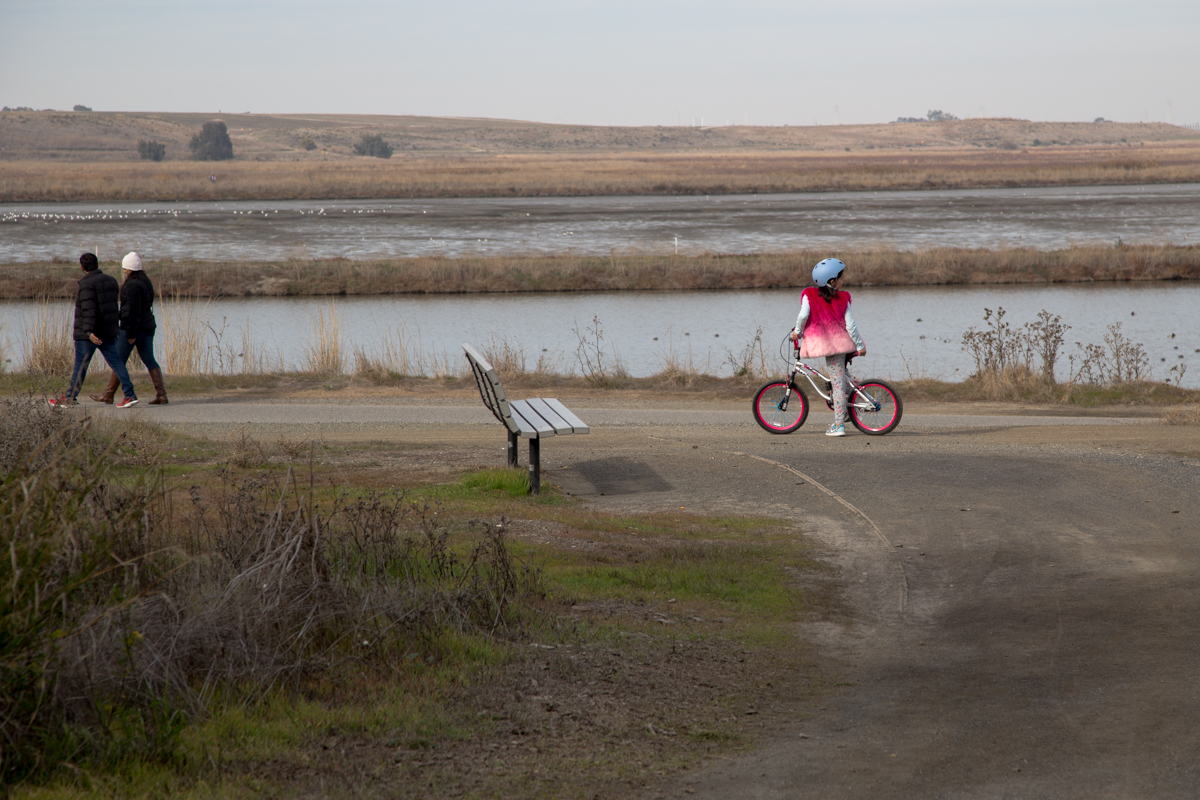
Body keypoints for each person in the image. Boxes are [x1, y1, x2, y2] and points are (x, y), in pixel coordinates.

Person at [49, 253, 139, 408]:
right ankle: (130, 395)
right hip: (109, 331)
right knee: (117, 363)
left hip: (89, 334)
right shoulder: (111, 281)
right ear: (97, 264)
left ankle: (70, 398)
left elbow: (89, 310)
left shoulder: (86, 284)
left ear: (82, 267)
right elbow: (110, 307)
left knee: (81, 365)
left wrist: (89, 332)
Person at [789, 258, 866, 437]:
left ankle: (839, 424)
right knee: (842, 379)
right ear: (832, 281)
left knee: (837, 384)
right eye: (840, 277)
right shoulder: (843, 298)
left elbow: (803, 316)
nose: (842, 281)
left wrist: (798, 332)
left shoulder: (809, 295)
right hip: (842, 344)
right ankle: (849, 409)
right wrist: (860, 345)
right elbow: (851, 326)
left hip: (831, 348)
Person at [90, 252, 168, 405]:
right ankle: (162, 394)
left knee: (118, 359)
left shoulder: (132, 285)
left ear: (129, 268)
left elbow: (133, 311)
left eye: (125, 268)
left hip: (133, 328)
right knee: (149, 359)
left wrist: (131, 333)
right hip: (147, 326)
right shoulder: (146, 281)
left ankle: (109, 393)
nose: (124, 271)